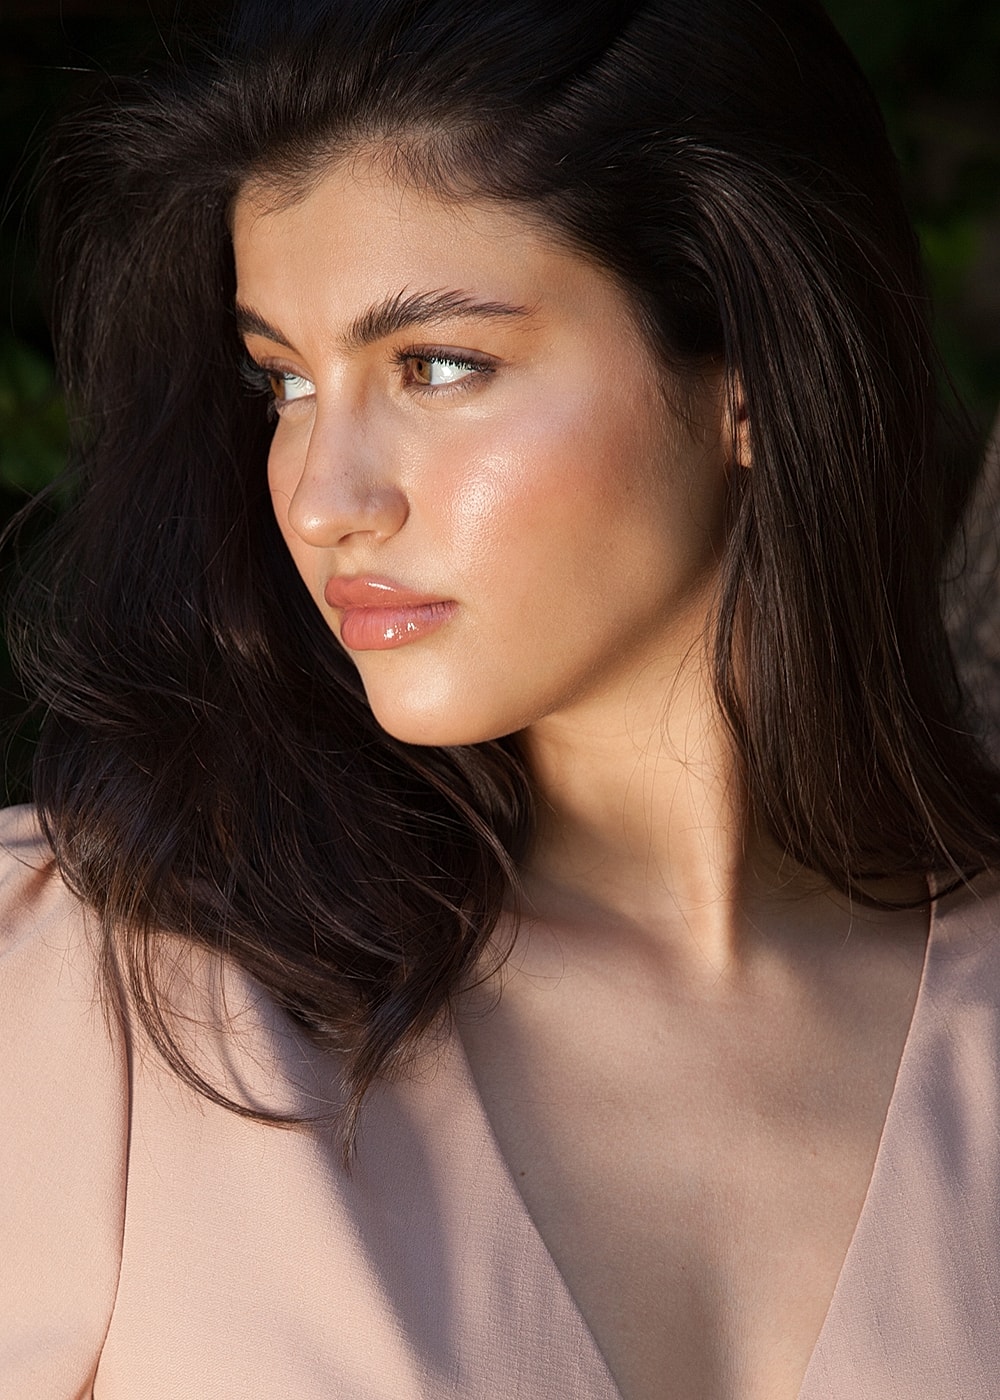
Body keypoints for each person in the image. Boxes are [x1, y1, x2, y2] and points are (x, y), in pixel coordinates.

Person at [2, 1, 999, 1396]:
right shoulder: (96, 983)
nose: (324, 500)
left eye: (436, 367)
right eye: (283, 382)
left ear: (752, 382)